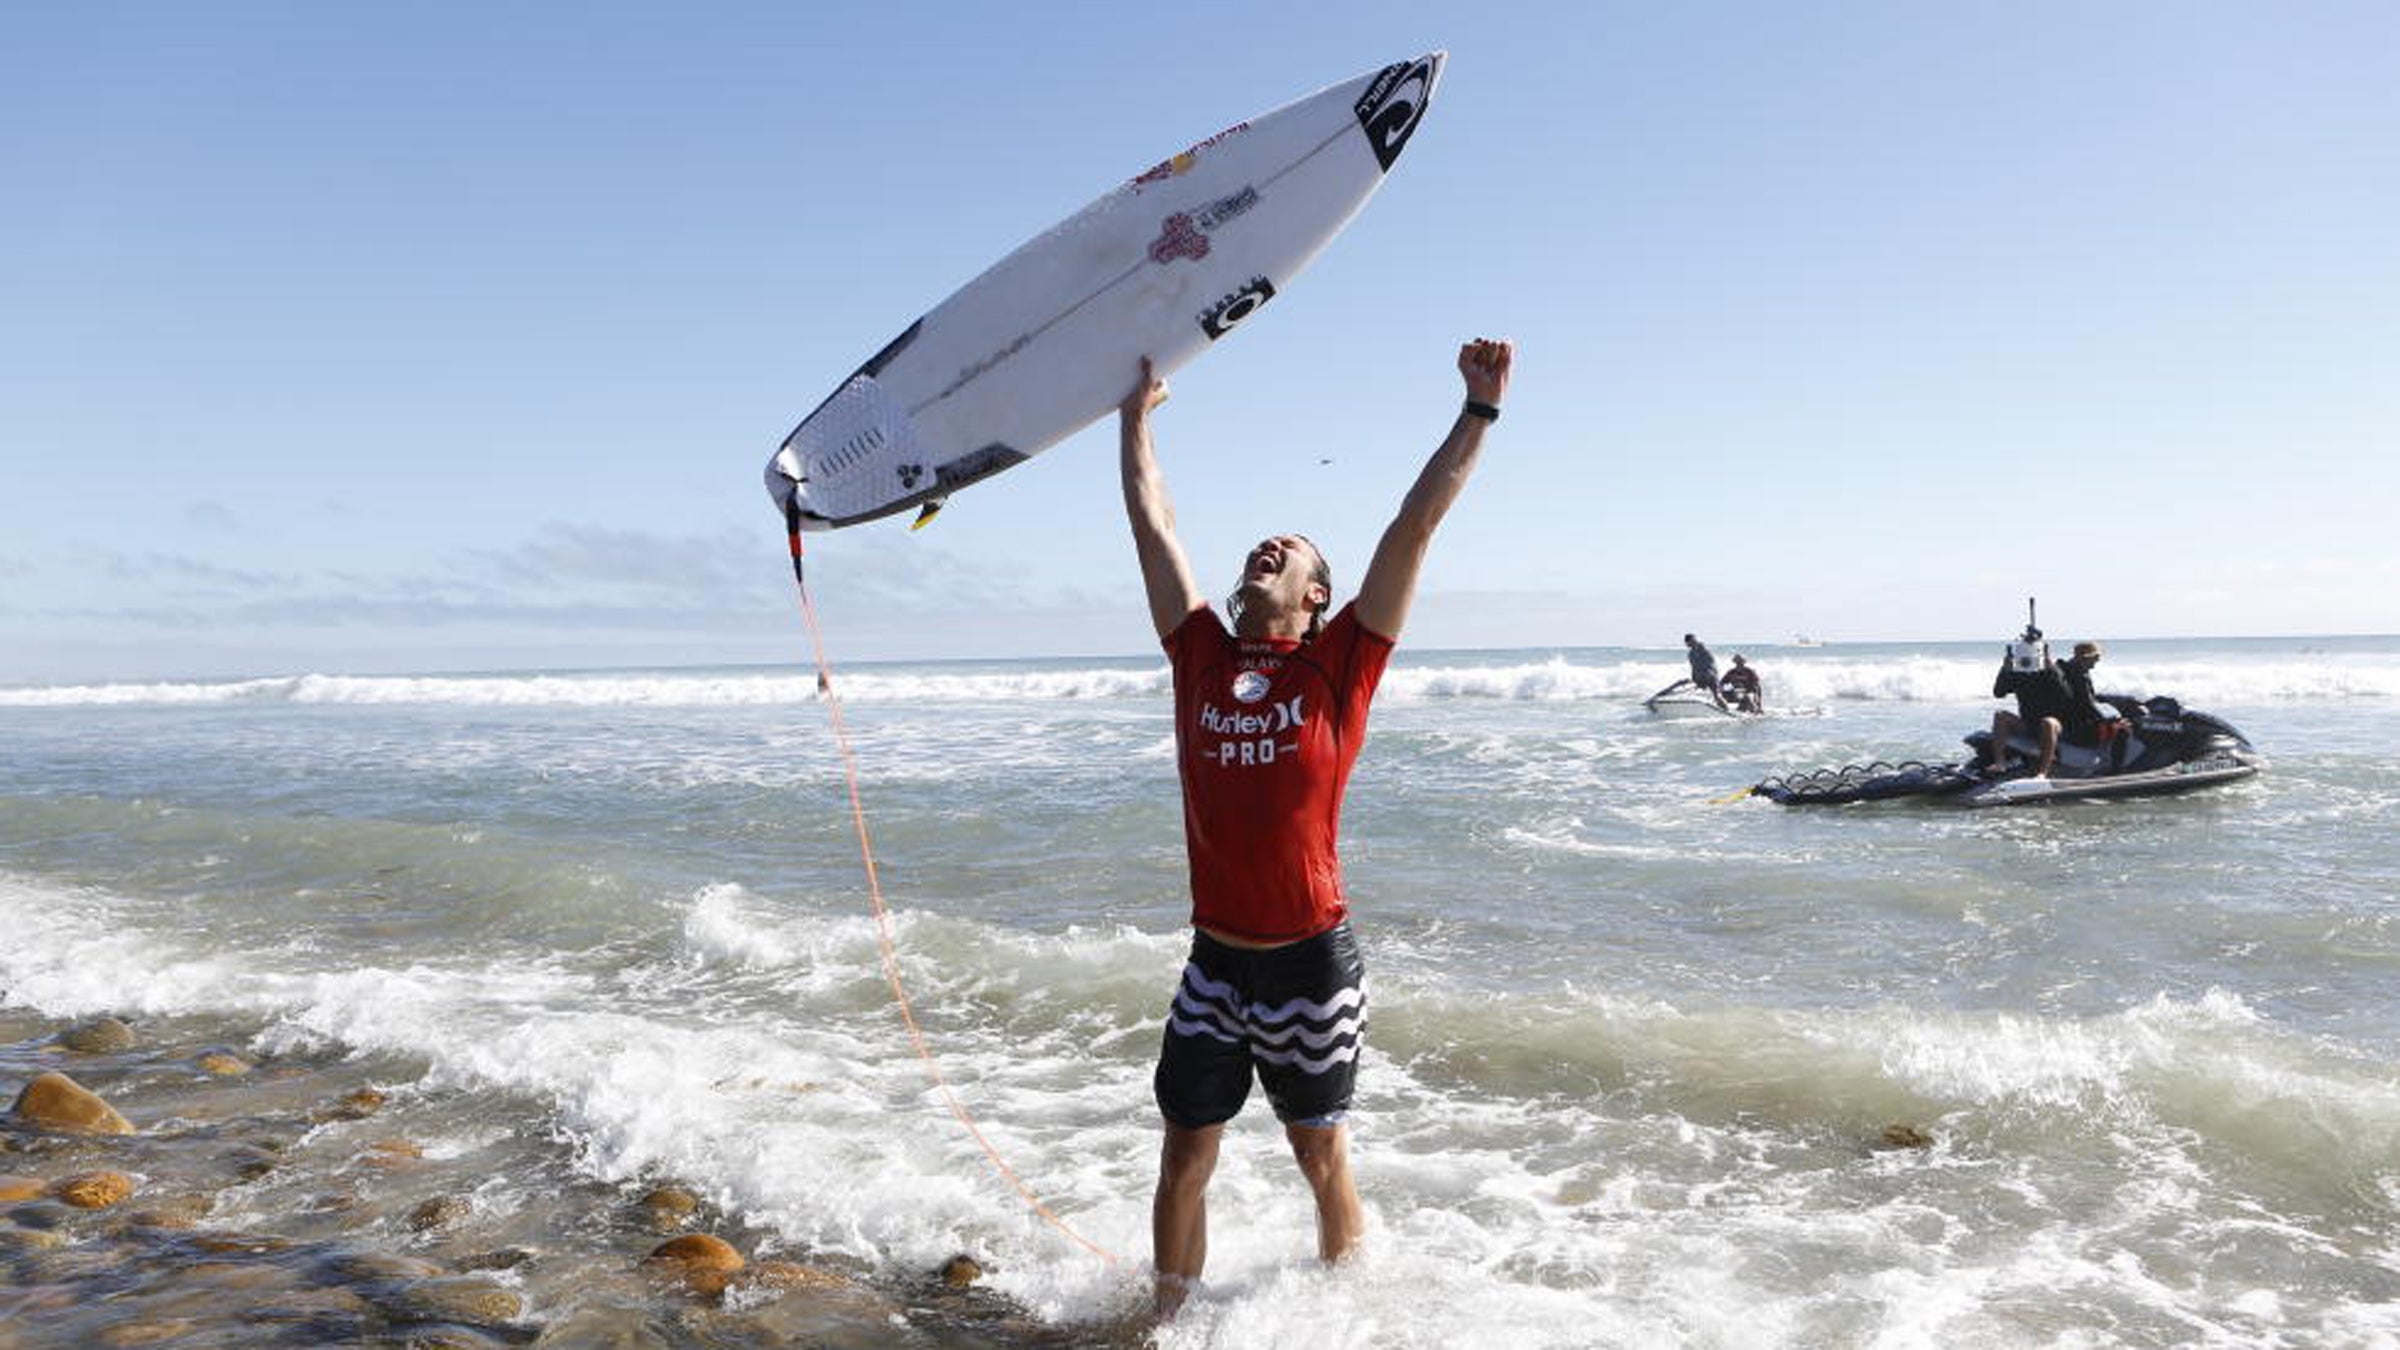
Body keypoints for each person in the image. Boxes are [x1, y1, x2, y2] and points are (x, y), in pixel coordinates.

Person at [1119, 337, 1513, 1318]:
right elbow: (1155, 524)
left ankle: (1347, 1320)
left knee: (1317, 1152)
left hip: (1309, 965)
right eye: (1264, 543)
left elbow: (1412, 529)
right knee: (1184, 1157)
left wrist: (1478, 412)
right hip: (1213, 964)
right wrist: (1134, 424)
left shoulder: (1340, 666)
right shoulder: (1201, 654)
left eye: (1289, 551)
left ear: (1316, 598)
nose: (1268, 548)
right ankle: (1171, 1324)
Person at [1982, 637, 2135, 777]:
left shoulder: (2053, 672)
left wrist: (2049, 665)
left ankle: (2043, 772)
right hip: (2029, 723)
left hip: (2057, 726)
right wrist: (2005, 668)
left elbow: (2066, 694)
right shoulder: (2019, 673)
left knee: (2048, 722)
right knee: (2000, 715)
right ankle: (1999, 762)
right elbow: (1999, 692)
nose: (2030, 662)